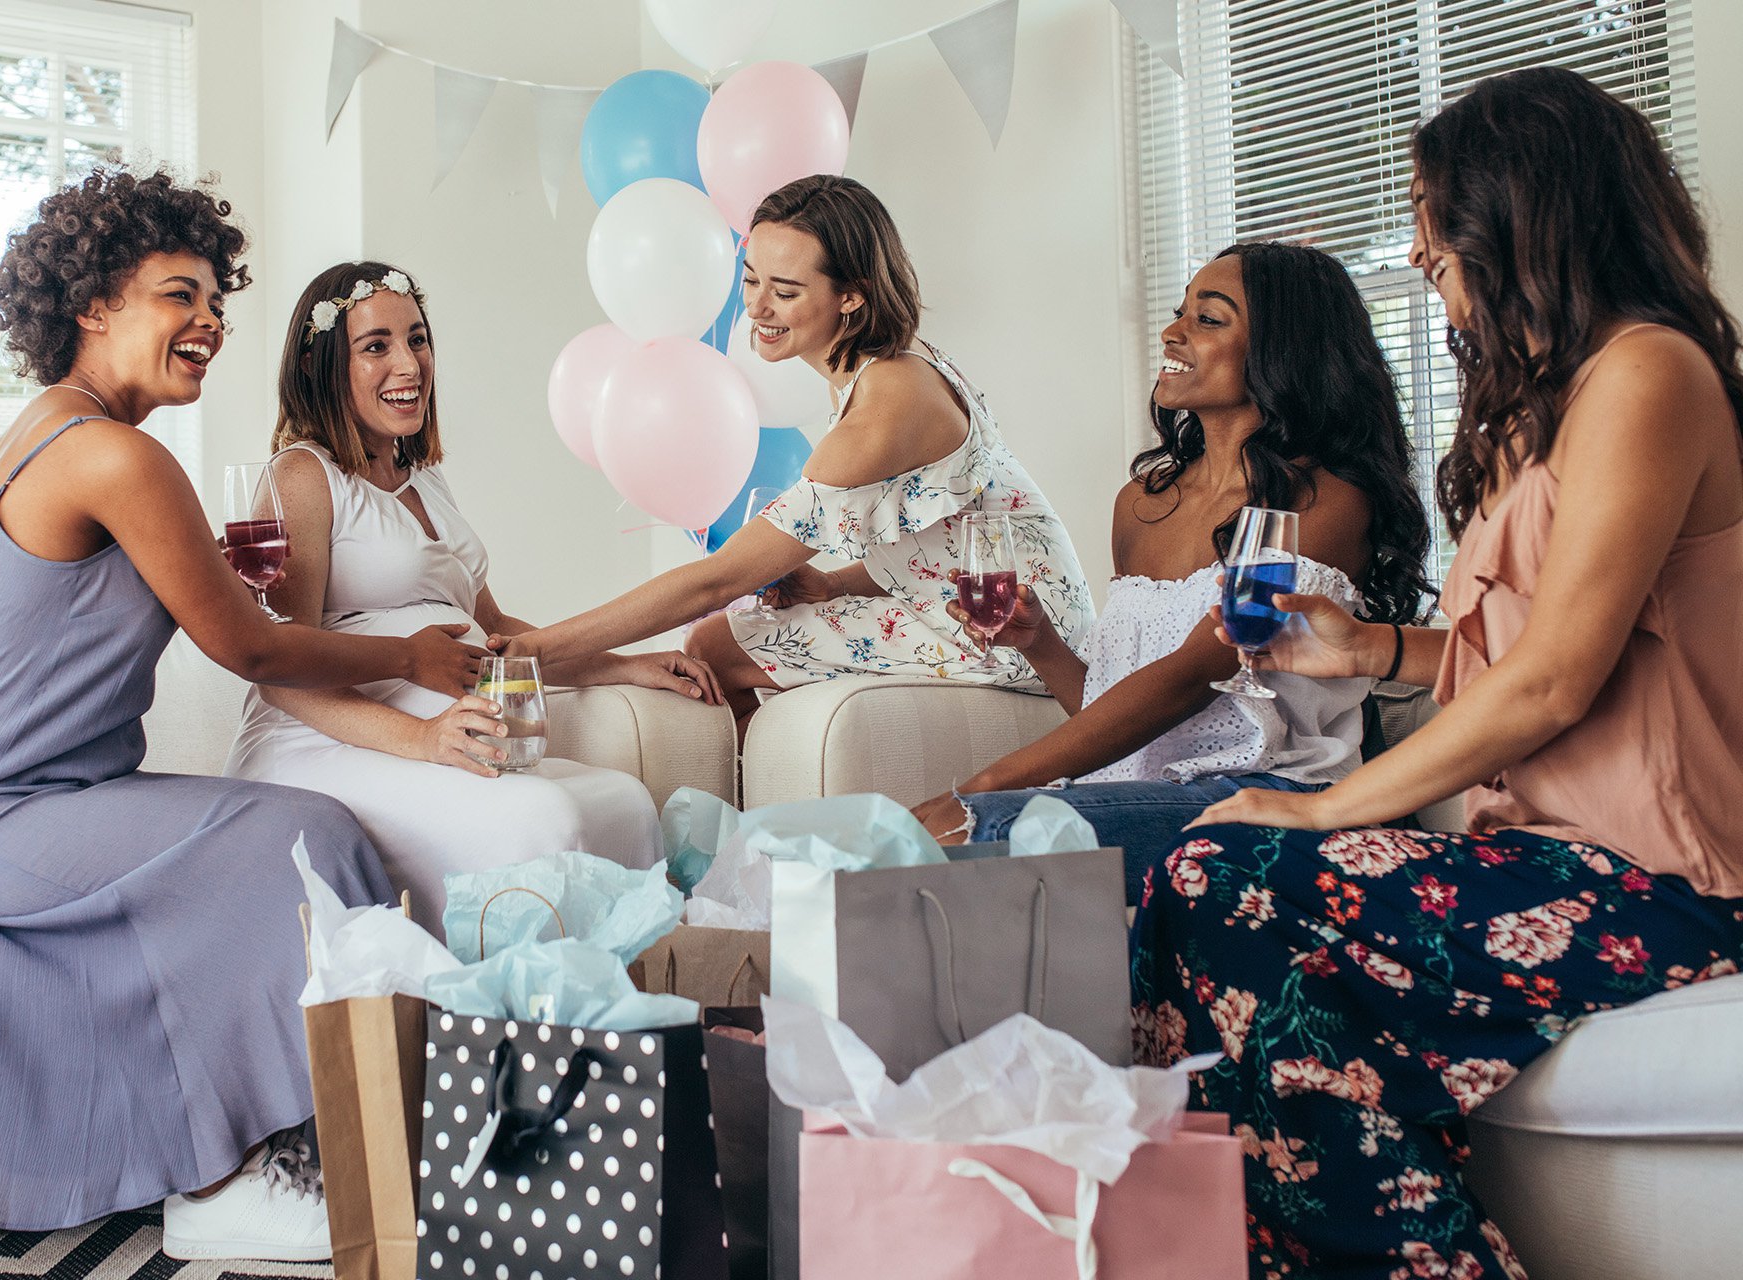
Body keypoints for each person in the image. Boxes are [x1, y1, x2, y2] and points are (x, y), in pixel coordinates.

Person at [1133, 67, 1743, 1279]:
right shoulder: (1552, 409)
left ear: (1523, 215)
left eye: (1434, 219)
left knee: (1226, 874)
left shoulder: (1649, 374)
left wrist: (1317, 808)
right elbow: (1525, 654)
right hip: (1548, 857)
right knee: (1198, 880)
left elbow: (1558, 679)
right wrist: (1366, 649)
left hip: (1667, 881)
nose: (1418, 253)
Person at [0, 170, 482, 1261]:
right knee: (304, 833)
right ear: (94, 304)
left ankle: (300, 1148)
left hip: (44, 798)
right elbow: (249, 645)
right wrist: (412, 652)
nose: (208, 324)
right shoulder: (111, 454)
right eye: (177, 296)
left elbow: (222, 613)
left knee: (277, 831)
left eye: (216, 304)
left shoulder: (57, 433)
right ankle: (241, 1173)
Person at [909, 241, 1433, 885]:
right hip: (1147, 790)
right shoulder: (1141, 504)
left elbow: (1191, 679)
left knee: (976, 831)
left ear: (1283, 350)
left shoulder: (1324, 501)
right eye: (1180, 311)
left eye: (1208, 319)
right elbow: (1121, 712)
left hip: (1271, 797)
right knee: (939, 837)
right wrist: (1042, 644)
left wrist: (987, 786)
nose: (1172, 331)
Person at [222, 261, 723, 934]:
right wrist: (425, 738)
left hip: (441, 739)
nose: (409, 363)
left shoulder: (424, 481)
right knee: (543, 817)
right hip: (322, 745)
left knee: (625, 802)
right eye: (376, 346)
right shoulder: (304, 476)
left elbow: (492, 636)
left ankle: (623, 1017)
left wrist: (623, 663)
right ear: (325, 365)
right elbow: (284, 674)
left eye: (418, 339)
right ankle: (521, 1019)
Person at [495, 175, 1093, 728]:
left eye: (784, 291)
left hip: (1019, 636)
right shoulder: (887, 370)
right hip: (985, 610)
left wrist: (534, 650)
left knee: (712, 642)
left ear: (851, 298)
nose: (755, 308)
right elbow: (940, 543)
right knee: (724, 638)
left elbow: (716, 581)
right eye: (751, 278)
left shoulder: (883, 411)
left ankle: (749, 820)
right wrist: (833, 588)